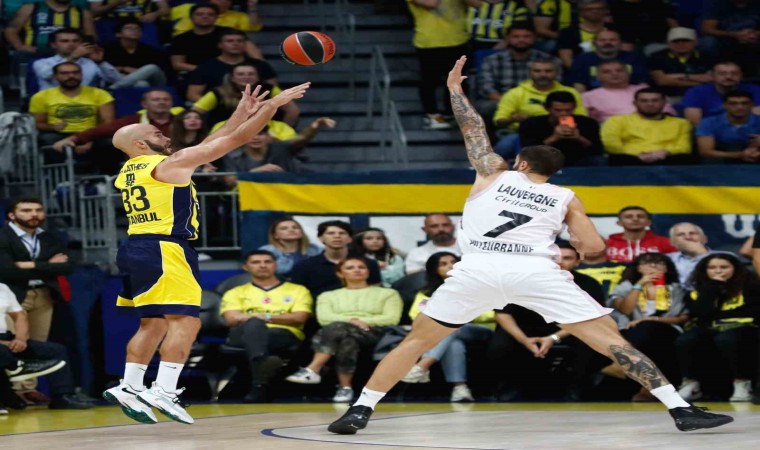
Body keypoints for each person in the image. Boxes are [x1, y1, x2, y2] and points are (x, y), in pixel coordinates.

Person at [328, 56, 732, 434]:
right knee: (612, 341)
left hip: (478, 269)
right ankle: (680, 409)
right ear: (554, 173)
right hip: (535, 271)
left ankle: (361, 408)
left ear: (521, 163)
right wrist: (574, 237)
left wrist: (454, 90)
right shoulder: (565, 197)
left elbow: (473, 130)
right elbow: (594, 249)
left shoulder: (493, 173)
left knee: (417, 341)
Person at [101, 81, 310, 425]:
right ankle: (164, 390)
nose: (165, 135)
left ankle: (130, 386)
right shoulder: (170, 165)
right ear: (140, 143)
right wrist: (272, 108)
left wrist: (241, 112)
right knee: (186, 321)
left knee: (152, 323)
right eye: (156, 132)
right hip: (165, 248)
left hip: (136, 247)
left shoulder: (130, 170)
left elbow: (209, 144)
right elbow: (235, 141)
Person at [285, 257, 403, 403]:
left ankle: (313, 369)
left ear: (368, 272)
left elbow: (391, 318)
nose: (357, 270)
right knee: (347, 340)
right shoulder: (327, 295)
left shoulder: (388, 293)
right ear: (340, 273)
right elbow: (324, 318)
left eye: (361, 267)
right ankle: (345, 387)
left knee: (336, 327)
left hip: (375, 332)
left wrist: (361, 322)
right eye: (350, 268)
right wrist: (352, 321)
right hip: (341, 333)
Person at [0, 197, 76, 402]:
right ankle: (11, 391)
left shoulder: (48, 237)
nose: (34, 214)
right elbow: (6, 270)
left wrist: (27, 265)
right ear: (12, 215)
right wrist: (48, 265)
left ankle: (27, 389)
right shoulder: (3, 236)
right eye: (26, 210)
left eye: (38, 210)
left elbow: (68, 266)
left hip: (43, 293)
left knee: (37, 342)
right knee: (13, 342)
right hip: (12, 295)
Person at [220, 250, 313, 403]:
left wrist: (265, 317)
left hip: (282, 334)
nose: (262, 265)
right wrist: (257, 320)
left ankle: (259, 377)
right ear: (246, 267)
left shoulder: (298, 290)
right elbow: (231, 319)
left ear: (276, 265)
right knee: (254, 326)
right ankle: (262, 375)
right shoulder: (235, 292)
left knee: (255, 326)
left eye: (267, 262)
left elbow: (299, 317)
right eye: (256, 262)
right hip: (242, 334)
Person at [402, 252, 495, 402]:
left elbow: (490, 314)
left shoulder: (477, 287)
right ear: (435, 269)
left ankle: (423, 365)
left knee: (450, 327)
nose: (450, 266)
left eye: (453, 262)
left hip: (479, 330)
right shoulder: (426, 293)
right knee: (453, 342)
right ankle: (460, 388)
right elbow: (416, 316)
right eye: (443, 264)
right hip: (448, 332)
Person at [675, 254, 760, 402]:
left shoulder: (751, 287)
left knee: (727, 339)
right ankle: (691, 383)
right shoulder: (698, 290)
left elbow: (752, 311)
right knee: (686, 340)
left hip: (745, 327)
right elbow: (700, 312)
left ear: (735, 269)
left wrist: (718, 317)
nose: (718, 271)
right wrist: (713, 287)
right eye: (712, 268)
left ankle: (742, 383)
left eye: (724, 267)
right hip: (710, 327)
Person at [608, 252, 688, 401]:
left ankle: (623, 365)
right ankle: (650, 387)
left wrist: (651, 319)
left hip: (667, 328)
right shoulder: (626, 286)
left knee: (648, 328)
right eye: (646, 262)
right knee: (644, 333)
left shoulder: (677, 289)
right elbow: (626, 310)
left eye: (659, 262)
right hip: (631, 329)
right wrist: (640, 284)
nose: (653, 265)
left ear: (667, 268)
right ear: (638, 268)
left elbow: (682, 318)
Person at [0, 282, 90, 410]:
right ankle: (16, 368)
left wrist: (20, 339)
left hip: (6, 337)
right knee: (2, 351)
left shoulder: (3, 288)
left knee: (56, 351)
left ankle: (62, 396)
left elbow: (19, 316)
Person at [493, 57, 586, 158]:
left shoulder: (571, 92)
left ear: (557, 72)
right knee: (504, 146)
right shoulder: (514, 93)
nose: (543, 74)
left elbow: (582, 118)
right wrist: (513, 119)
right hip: (525, 133)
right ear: (530, 72)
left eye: (548, 71)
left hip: (566, 131)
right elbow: (499, 120)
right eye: (537, 71)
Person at [476, 23, 562, 120]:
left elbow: (556, 85)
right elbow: (487, 88)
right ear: (507, 38)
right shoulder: (492, 60)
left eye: (526, 36)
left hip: (539, 100)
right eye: (516, 36)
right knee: (485, 107)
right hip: (501, 100)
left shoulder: (550, 60)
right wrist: (510, 104)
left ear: (535, 38)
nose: (521, 40)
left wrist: (528, 105)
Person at [406, 0, 470, 130]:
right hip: (430, 42)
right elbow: (432, 3)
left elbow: (477, 3)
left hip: (458, 39)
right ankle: (432, 115)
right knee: (430, 81)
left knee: (457, 81)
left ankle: (450, 114)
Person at [30, 62, 115, 150]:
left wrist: (89, 138)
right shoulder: (41, 96)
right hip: (58, 133)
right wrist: (52, 127)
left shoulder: (100, 94)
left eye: (76, 72)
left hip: (91, 132)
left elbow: (107, 121)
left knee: (110, 142)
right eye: (64, 73)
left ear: (81, 75)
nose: (71, 76)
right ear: (55, 77)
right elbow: (38, 123)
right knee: (47, 139)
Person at [601, 87, 693, 166]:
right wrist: (637, 154)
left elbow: (684, 147)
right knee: (618, 158)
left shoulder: (681, 123)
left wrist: (665, 152)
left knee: (685, 157)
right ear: (635, 103)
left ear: (664, 102)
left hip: (667, 158)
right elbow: (611, 144)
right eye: (644, 101)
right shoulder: (616, 121)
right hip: (631, 159)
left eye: (655, 100)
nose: (650, 104)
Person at [290, 221, 383, 299]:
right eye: (331, 233)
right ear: (321, 238)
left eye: (342, 233)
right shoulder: (305, 266)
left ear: (350, 239)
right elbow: (298, 295)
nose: (337, 236)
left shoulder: (368, 264)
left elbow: (375, 291)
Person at [518, 91, 604, 166]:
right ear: (547, 108)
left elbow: (598, 150)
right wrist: (554, 138)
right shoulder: (532, 123)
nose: (563, 114)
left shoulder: (588, 123)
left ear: (574, 108)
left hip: (578, 159)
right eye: (558, 110)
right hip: (546, 160)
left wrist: (579, 138)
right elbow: (528, 151)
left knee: (598, 160)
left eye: (568, 110)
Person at [582, 60, 676, 122]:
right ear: (598, 77)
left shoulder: (644, 89)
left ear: (628, 73)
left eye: (619, 70)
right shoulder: (588, 96)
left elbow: (668, 112)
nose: (614, 74)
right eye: (607, 72)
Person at [567, 30, 648, 93]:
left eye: (612, 40)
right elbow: (579, 84)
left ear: (621, 42)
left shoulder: (634, 58)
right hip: (594, 97)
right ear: (594, 43)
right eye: (602, 40)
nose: (607, 43)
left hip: (630, 96)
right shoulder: (582, 59)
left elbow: (643, 83)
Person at [681, 62, 760, 126]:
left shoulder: (755, 90)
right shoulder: (696, 92)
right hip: (709, 133)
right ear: (712, 76)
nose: (729, 77)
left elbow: (757, 120)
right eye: (722, 74)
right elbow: (695, 123)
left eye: (734, 73)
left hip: (748, 132)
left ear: (741, 75)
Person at [647, 27, 713, 100]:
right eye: (675, 41)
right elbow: (661, 81)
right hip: (668, 97)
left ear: (695, 42)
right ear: (668, 43)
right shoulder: (657, 57)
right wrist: (697, 81)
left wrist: (675, 76)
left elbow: (711, 79)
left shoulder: (708, 57)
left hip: (701, 96)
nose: (680, 44)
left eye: (686, 41)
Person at [696, 90, 760, 163]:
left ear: (751, 105)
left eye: (745, 103)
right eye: (733, 104)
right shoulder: (709, 122)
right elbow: (705, 152)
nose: (740, 107)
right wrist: (740, 155)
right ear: (724, 105)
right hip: (720, 160)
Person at [605, 205, 677, 263]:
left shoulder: (666, 242)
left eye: (640, 216)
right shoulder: (607, 244)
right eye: (629, 217)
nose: (635, 219)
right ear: (619, 223)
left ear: (649, 222)